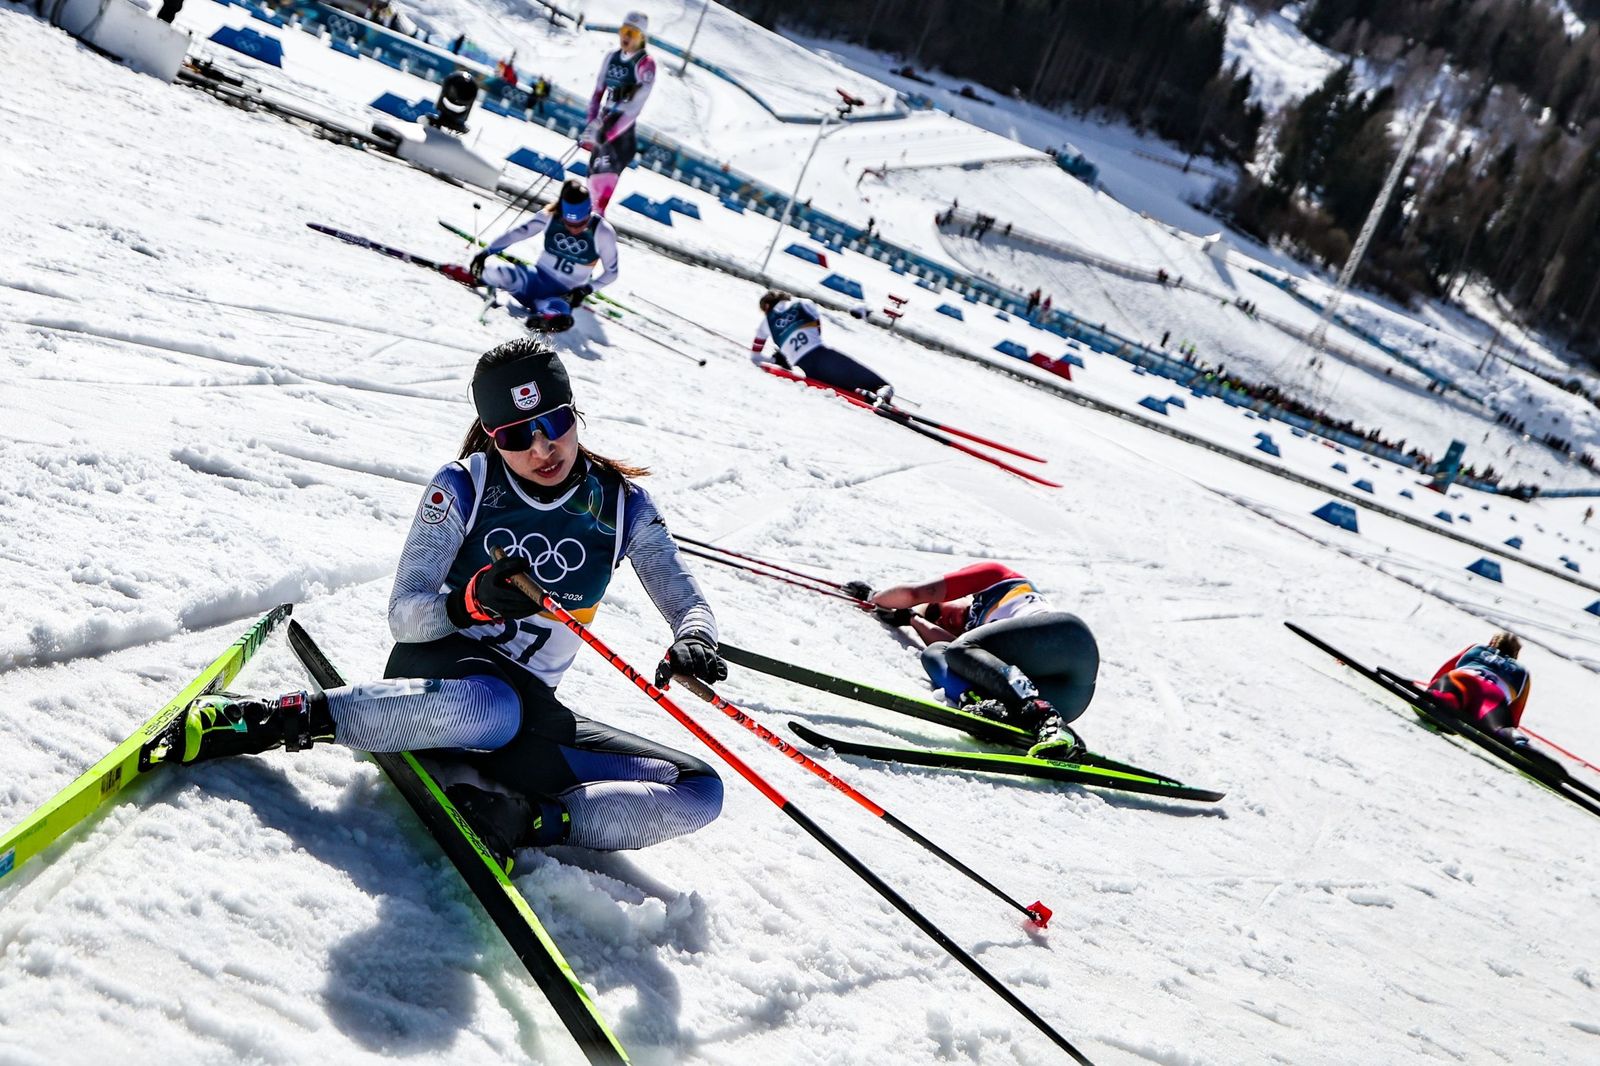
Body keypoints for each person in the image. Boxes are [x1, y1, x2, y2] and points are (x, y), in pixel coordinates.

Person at [173, 339, 727, 865]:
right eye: (515, 436)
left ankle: (524, 819)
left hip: (527, 713)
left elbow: (687, 602)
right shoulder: (464, 486)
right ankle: (267, 720)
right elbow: (404, 617)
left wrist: (694, 639)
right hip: (439, 669)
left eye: (554, 423)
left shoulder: (621, 506)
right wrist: (468, 604)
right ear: (491, 435)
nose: (541, 447)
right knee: (496, 706)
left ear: (574, 413)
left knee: (701, 790)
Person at [844, 562, 1098, 760]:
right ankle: (1044, 726)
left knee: (957, 650)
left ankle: (1044, 717)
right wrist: (913, 619)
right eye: (936, 621)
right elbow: (947, 649)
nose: (942, 620)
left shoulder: (997, 579)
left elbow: (920, 592)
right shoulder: (982, 644)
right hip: (1068, 695)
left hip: (1066, 638)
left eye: (935, 610)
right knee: (933, 654)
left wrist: (874, 596)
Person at [443, 178, 619, 333]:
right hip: (533, 280)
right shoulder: (550, 216)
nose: (574, 229)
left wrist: (585, 290)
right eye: (568, 223)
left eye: (581, 223)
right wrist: (485, 252)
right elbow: (516, 234)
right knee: (499, 272)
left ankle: (547, 319)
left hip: (562, 294)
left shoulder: (602, 232)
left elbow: (612, 273)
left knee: (558, 308)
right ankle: (479, 276)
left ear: (589, 212)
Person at [748, 289, 893, 403]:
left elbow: (755, 357)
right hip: (823, 356)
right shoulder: (804, 303)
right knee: (882, 386)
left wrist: (775, 361)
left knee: (844, 384)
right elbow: (817, 332)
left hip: (805, 367)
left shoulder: (766, 322)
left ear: (767, 306)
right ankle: (880, 394)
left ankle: (867, 396)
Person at [582, 11, 656, 215]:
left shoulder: (645, 64)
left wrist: (606, 135)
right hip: (604, 126)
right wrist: (591, 125)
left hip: (620, 137)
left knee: (599, 201)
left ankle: (596, 235)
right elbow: (598, 93)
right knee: (589, 190)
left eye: (632, 33)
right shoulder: (611, 57)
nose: (626, 37)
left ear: (641, 37)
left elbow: (633, 110)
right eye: (624, 31)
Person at [1426, 631, 1531, 745]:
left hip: (1461, 679)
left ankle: (1440, 699)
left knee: (1447, 697)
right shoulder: (1522, 672)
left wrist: (1431, 688)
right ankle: (1514, 738)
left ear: (1492, 642)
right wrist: (1506, 726)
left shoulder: (1477, 648)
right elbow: (1514, 717)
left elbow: (1440, 675)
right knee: (1497, 725)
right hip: (1492, 693)